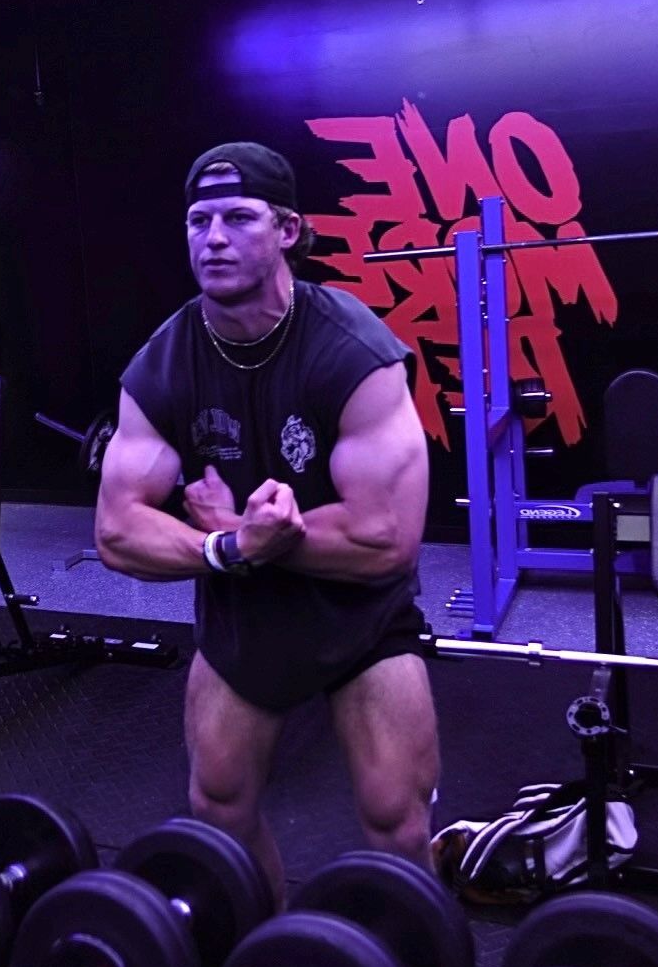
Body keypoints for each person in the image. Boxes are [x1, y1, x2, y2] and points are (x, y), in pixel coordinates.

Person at [96, 142, 437, 907]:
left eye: (239, 217)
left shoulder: (353, 351)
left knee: (397, 820)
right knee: (217, 806)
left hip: (361, 618)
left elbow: (386, 540)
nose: (213, 238)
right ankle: (273, 946)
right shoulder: (164, 362)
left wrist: (261, 545)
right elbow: (117, 531)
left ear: (287, 230)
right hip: (245, 611)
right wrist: (227, 546)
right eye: (198, 220)